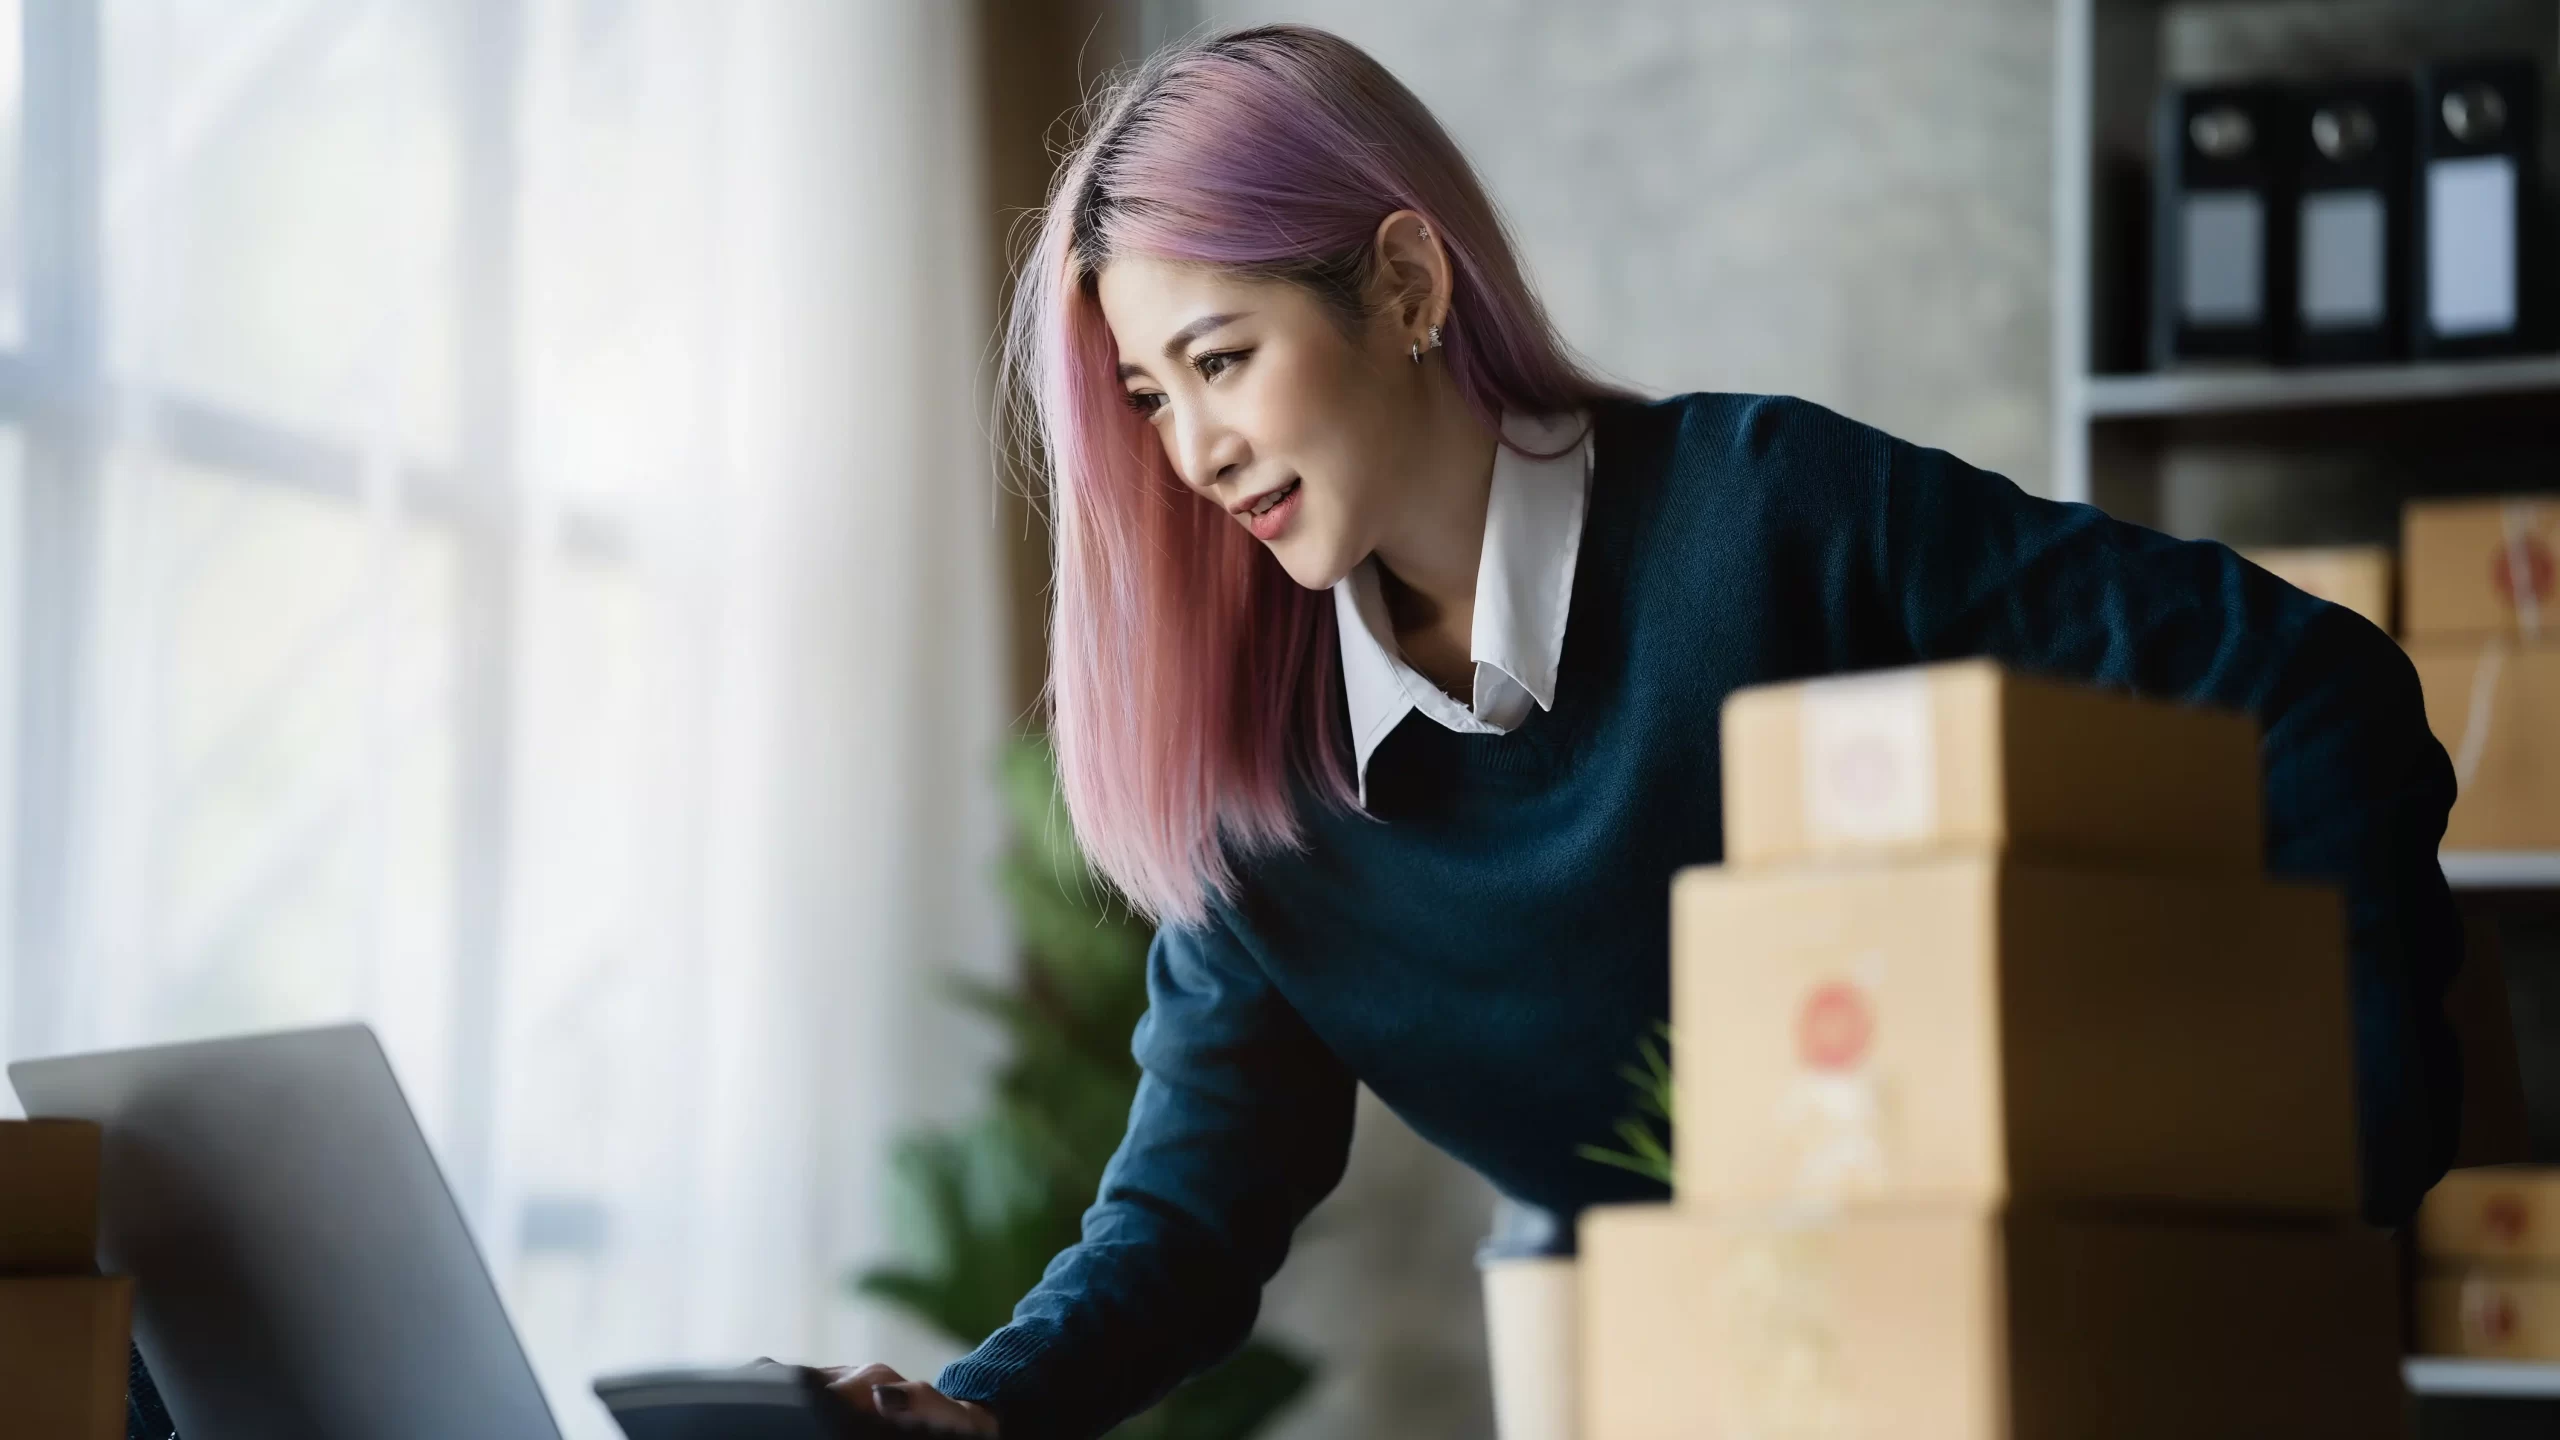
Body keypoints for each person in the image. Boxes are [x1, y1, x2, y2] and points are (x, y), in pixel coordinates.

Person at [822, 23, 2464, 1438]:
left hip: (2047, 1371)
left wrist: (2339, 1177)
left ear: (1403, 284)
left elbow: (2317, 694)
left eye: (1222, 361)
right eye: (1149, 400)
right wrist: (986, 1405)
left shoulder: (1768, 520)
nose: (1193, 452)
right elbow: (1186, 1217)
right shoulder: (1261, 792)